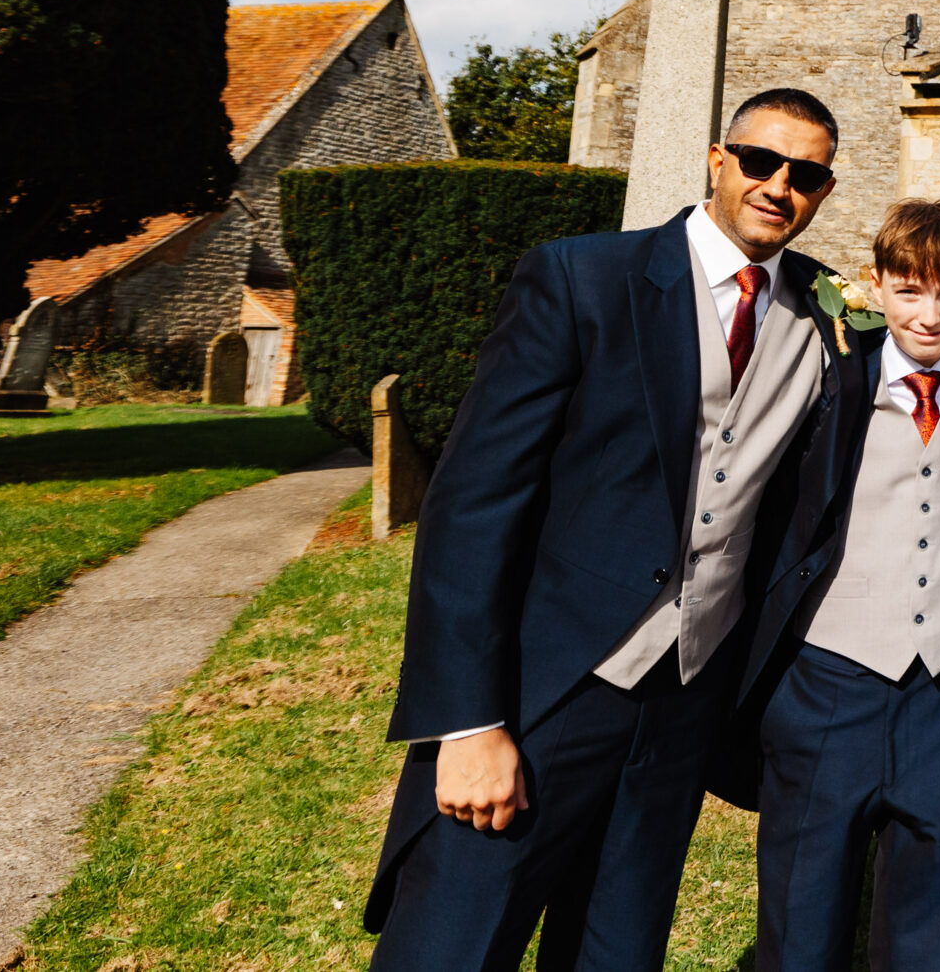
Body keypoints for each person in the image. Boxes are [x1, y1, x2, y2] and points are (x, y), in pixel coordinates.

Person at [363, 89, 849, 972]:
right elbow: (472, 505)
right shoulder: (583, 278)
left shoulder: (823, 318)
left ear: (823, 190)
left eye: (806, 174)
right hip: (548, 690)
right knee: (454, 945)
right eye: (760, 160)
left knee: (616, 951)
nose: (780, 184)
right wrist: (468, 722)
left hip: (685, 699)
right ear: (716, 158)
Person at [720, 198, 940, 972]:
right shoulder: (828, 384)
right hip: (827, 682)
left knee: (929, 915)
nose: (929, 313)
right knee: (803, 913)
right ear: (875, 286)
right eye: (909, 290)